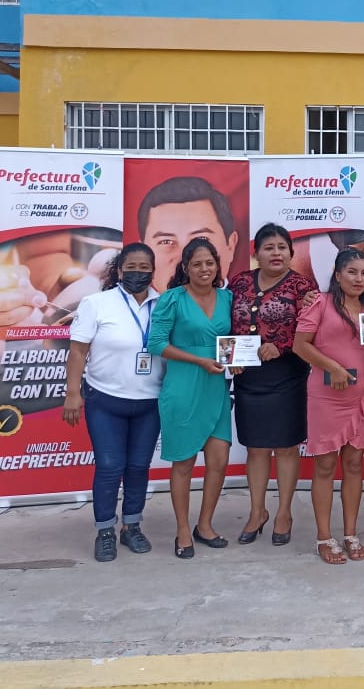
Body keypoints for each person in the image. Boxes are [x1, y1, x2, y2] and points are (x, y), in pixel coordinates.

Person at [63, 243, 164, 562]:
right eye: (131, 267)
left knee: (138, 467)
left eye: (145, 267)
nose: (138, 273)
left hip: (150, 402)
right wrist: (73, 393)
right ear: (119, 270)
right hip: (105, 400)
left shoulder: (164, 305)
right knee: (109, 467)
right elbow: (78, 351)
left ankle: (132, 526)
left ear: (153, 271)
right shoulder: (97, 303)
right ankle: (105, 531)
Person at [294, 248, 364, 564]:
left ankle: (350, 534)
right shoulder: (320, 303)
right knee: (324, 466)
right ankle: (324, 537)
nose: (358, 278)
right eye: (352, 272)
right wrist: (333, 368)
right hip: (326, 397)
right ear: (337, 275)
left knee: (354, 464)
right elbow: (300, 345)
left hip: (360, 396)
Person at [228, 223, 318, 547]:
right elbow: (226, 324)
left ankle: (283, 513)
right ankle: (257, 512)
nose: (276, 253)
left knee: (286, 447)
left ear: (291, 253)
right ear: (257, 253)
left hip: (287, 375)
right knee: (255, 447)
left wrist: (282, 346)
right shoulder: (239, 282)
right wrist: (230, 355)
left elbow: (313, 330)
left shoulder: (303, 286)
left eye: (282, 247)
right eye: (269, 247)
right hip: (248, 376)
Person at [148, 237, 234, 558]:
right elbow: (156, 343)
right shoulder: (172, 299)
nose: (204, 269)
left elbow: (233, 339)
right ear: (186, 267)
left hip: (216, 388)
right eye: (197, 264)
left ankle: (205, 525)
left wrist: (237, 360)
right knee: (183, 462)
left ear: (217, 265)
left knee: (219, 461)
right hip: (183, 387)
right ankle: (183, 530)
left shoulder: (227, 298)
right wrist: (199, 360)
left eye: (209, 263)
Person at [137, 176, 240, 292]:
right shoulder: (129, 302)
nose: (183, 259)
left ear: (231, 246)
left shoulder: (245, 301)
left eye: (201, 239)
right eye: (166, 241)